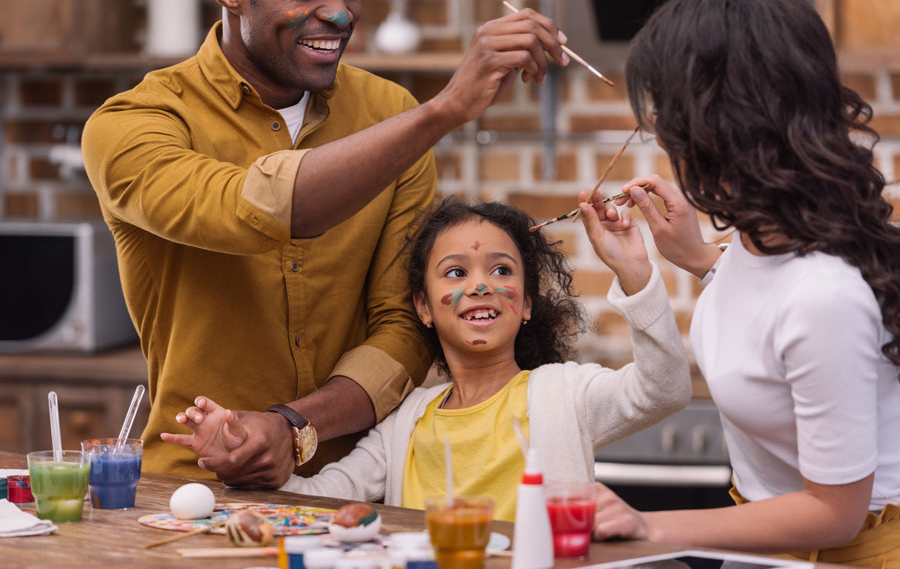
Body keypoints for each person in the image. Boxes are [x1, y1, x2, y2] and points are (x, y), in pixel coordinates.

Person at [81, 0, 573, 486]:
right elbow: (253, 209)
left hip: (357, 486)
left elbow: (404, 324)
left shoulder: (388, 114)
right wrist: (445, 110)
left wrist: (294, 425)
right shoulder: (133, 124)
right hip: (195, 488)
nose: (340, 13)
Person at [587, 0, 900, 567]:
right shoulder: (764, 244)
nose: (661, 134)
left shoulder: (825, 296)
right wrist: (702, 259)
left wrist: (646, 525)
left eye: (669, 115)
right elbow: (769, 315)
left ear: (724, 125)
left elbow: (837, 513)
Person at [167, 197, 692, 521]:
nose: (482, 284)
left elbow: (664, 389)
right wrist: (244, 454)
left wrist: (636, 273)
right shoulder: (406, 421)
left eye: (503, 271)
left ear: (527, 303)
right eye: (457, 273)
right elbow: (323, 498)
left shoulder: (564, 393)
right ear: (422, 306)